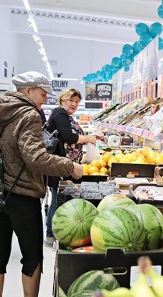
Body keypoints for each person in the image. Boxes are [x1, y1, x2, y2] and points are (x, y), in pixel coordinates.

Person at [0, 71, 83, 297]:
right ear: (29, 90)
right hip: (23, 196)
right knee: (31, 254)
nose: (45, 99)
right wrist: (70, 167)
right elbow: (36, 158)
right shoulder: (29, 114)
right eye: (43, 93)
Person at [44, 88, 97, 246]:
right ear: (62, 100)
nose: (74, 104)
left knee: (57, 197)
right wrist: (88, 138)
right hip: (59, 164)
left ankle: (52, 233)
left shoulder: (65, 116)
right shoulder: (60, 113)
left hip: (63, 164)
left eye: (77, 102)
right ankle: (50, 235)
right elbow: (69, 137)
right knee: (57, 199)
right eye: (71, 100)